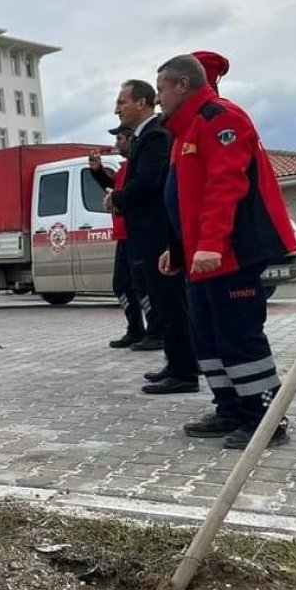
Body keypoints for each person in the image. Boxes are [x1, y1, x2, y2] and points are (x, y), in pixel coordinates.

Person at [156, 53, 296, 449]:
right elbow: (185, 199)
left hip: (229, 253)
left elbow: (225, 186)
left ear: (182, 84)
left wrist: (210, 245)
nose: (159, 99)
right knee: (209, 337)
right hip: (204, 257)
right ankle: (230, 409)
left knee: (239, 338)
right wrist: (180, 250)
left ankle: (266, 420)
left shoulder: (221, 119)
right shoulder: (185, 132)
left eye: (161, 90)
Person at [106, 79, 199, 395]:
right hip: (146, 235)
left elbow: (149, 183)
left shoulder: (157, 136)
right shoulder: (146, 136)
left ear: (143, 103)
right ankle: (176, 364)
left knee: (171, 302)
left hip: (159, 234)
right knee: (161, 302)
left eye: (122, 102)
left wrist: (117, 198)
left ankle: (185, 371)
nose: (117, 109)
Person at [89, 126, 160, 349]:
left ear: (131, 139)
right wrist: (98, 172)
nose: (116, 143)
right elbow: (115, 188)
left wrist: (117, 200)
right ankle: (135, 329)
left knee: (143, 286)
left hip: (136, 234)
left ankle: (156, 332)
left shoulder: (138, 167)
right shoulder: (123, 169)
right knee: (122, 285)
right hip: (123, 235)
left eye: (120, 138)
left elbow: (131, 192)